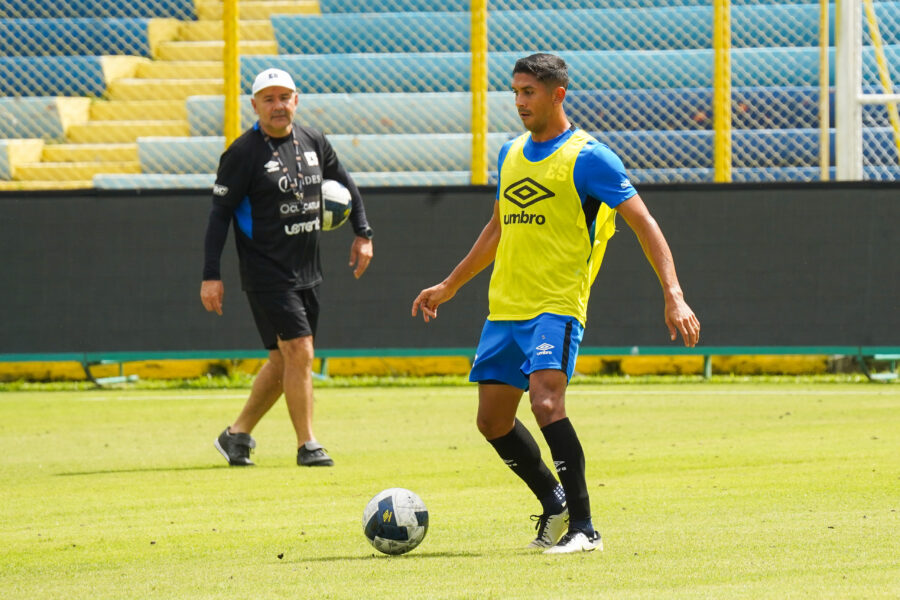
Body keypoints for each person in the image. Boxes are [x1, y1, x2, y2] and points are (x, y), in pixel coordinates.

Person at [411, 54, 700, 553]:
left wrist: (674, 295)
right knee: (492, 421)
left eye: (529, 92)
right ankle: (553, 499)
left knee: (545, 402)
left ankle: (585, 528)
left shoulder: (590, 158)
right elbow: (497, 228)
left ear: (558, 94)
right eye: (516, 92)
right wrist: (451, 285)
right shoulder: (510, 153)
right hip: (506, 307)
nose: (520, 102)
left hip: (557, 304)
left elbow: (644, 223)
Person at [201, 68, 374, 468]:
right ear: (255, 105)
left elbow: (345, 183)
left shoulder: (313, 140)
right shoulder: (242, 153)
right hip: (266, 273)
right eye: (269, 99)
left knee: (284, 361)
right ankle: (307, 444)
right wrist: (211, 275)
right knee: (300, 350)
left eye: (284, 97)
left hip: (307, 270)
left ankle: (236, 435)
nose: (278, 105)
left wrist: (363, 233)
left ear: (296, 100)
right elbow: (218, 216)